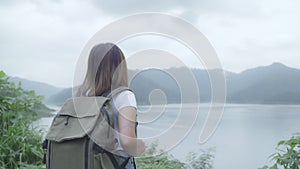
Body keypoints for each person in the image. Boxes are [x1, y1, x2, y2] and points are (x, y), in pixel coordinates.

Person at [76, 42, 145, 168]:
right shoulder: (124, 96)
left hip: (87, 161)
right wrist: (140, 146)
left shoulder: (83, 95)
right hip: (115, 162)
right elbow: (127, 142)